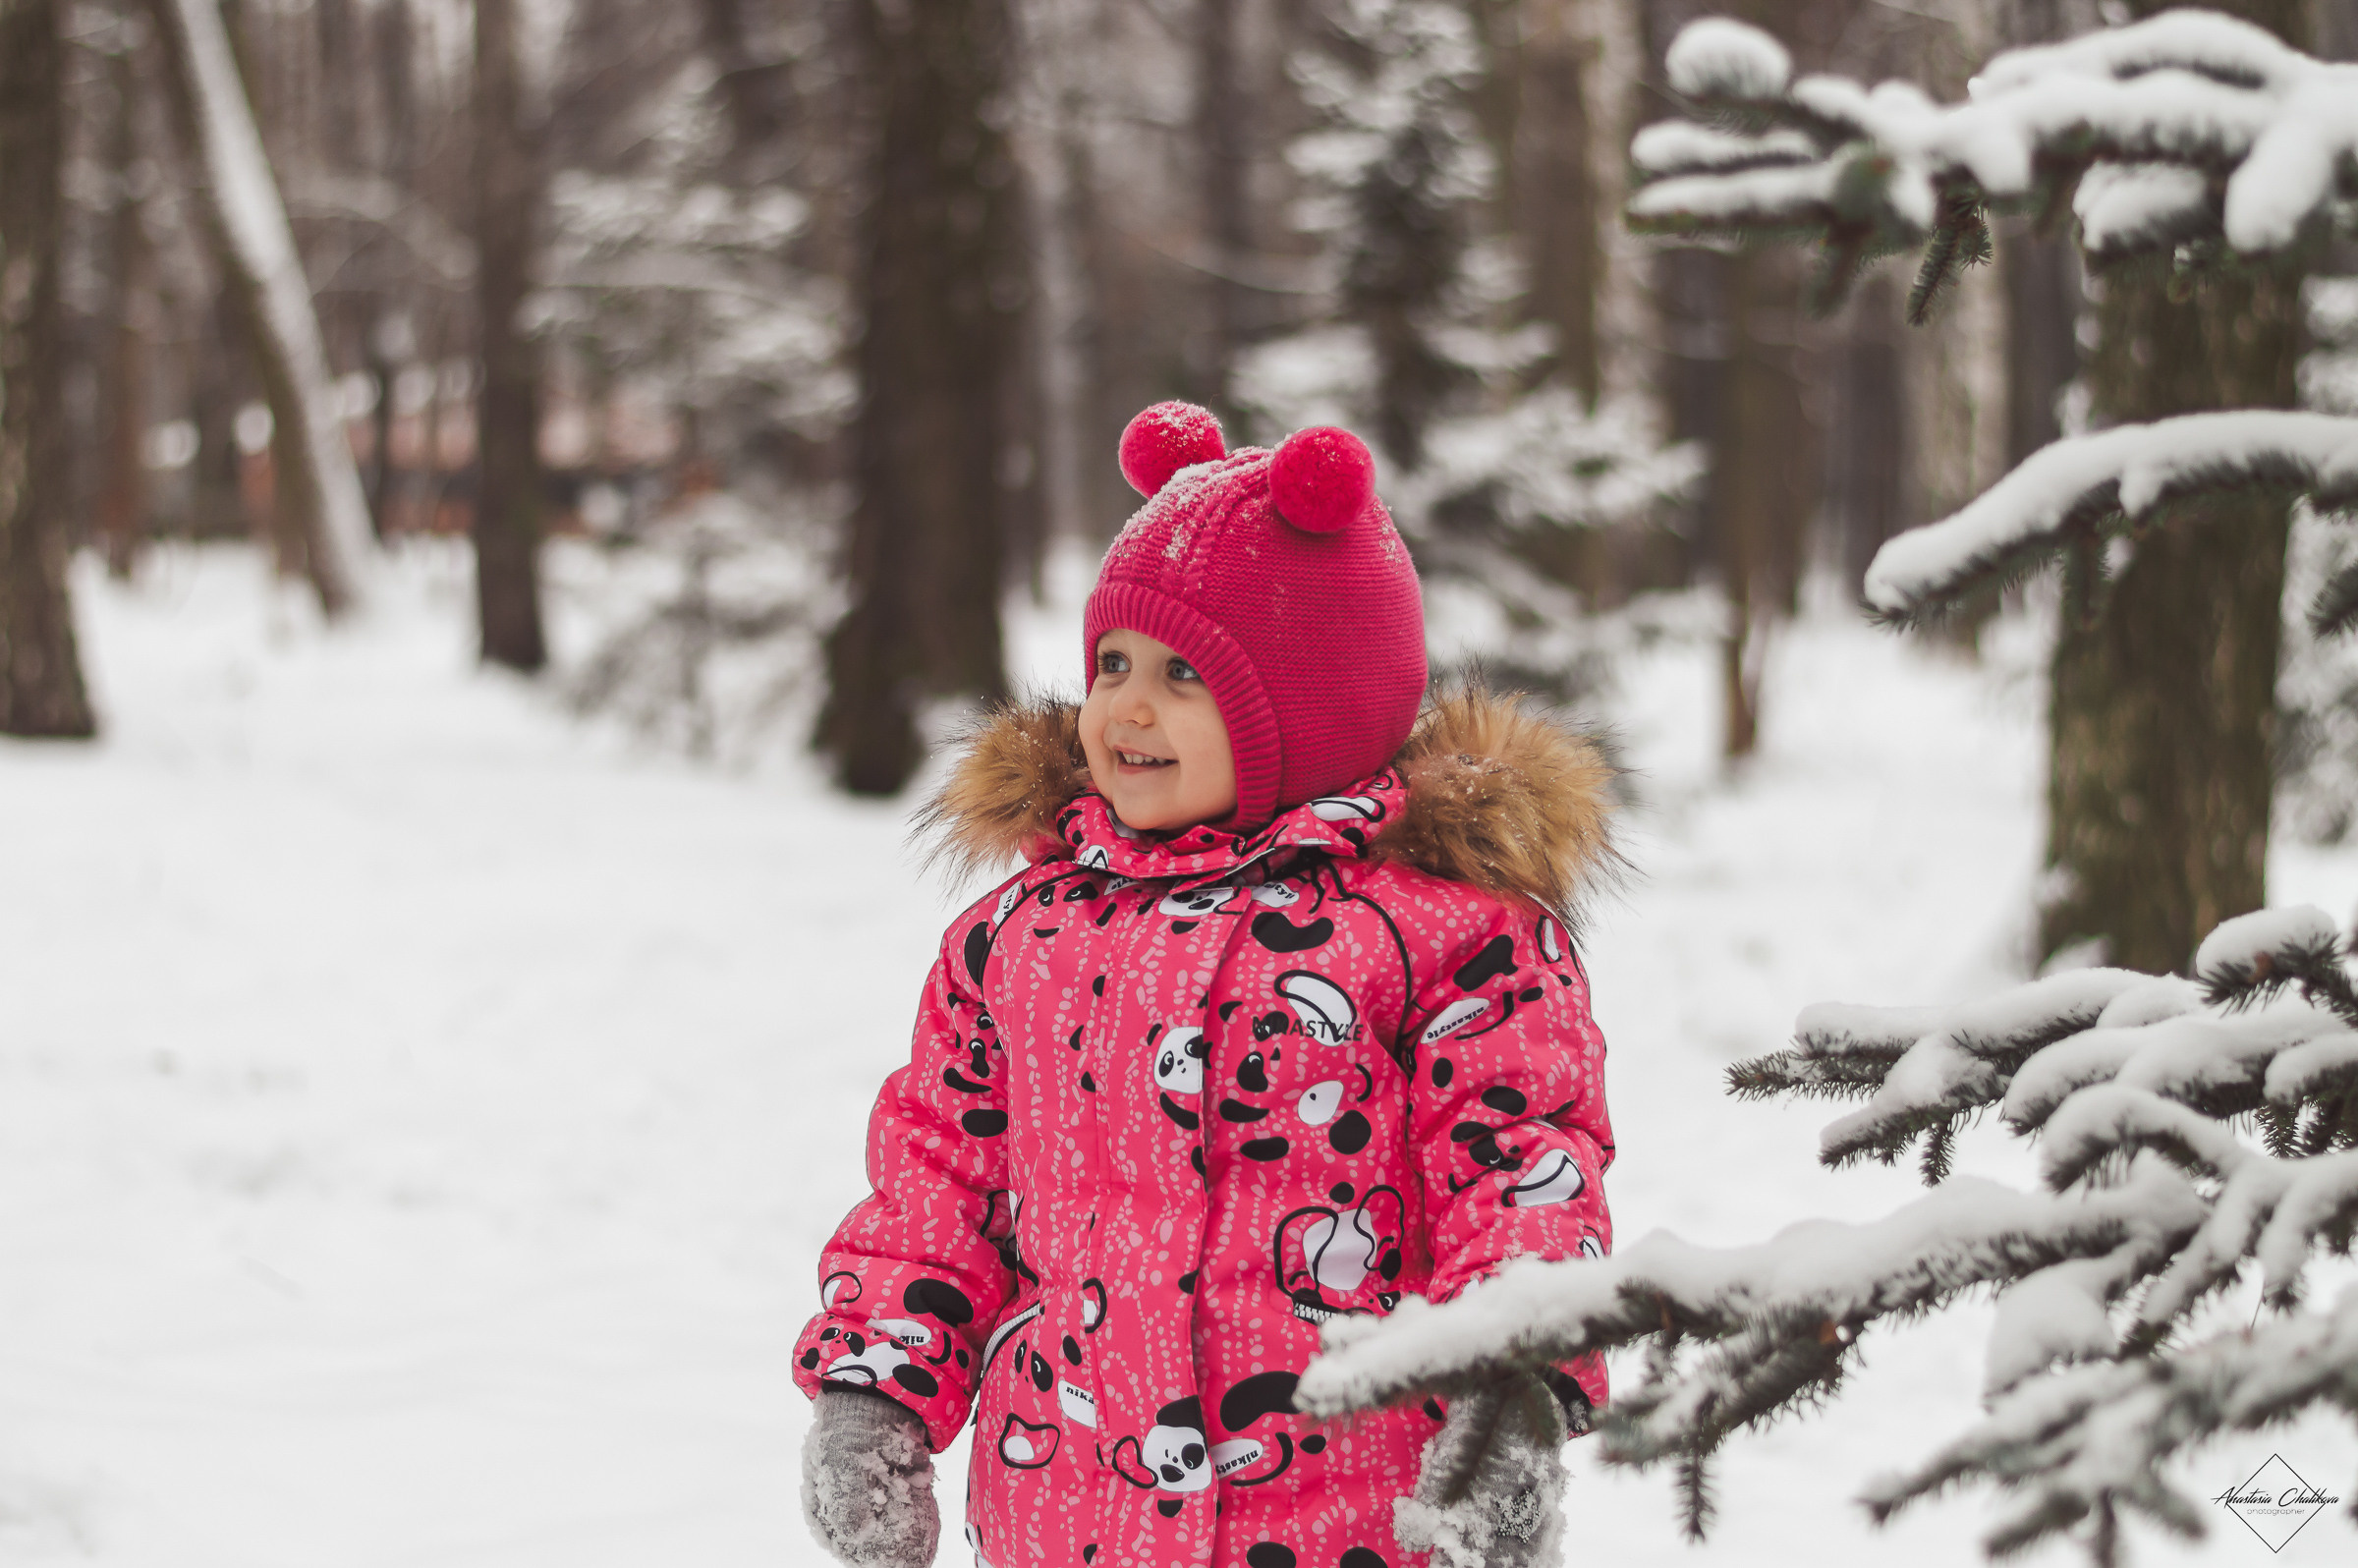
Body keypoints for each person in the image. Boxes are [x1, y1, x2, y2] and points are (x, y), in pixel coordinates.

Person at [795, 402, 1617, 1568]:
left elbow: (1521, 1164)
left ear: (1317, 702)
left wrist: (1511, 1391)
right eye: (1113, 664)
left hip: (1348, 1519)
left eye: (1185, 675)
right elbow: (940, 1179)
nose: (1126, 707)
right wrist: (874, 1386)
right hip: (1063, 1513)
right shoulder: (1017, 937)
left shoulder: (1443, 941)